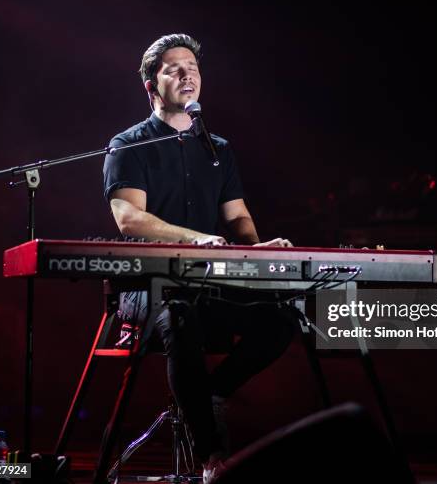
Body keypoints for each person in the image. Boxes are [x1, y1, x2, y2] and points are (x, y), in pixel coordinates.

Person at [103, 33, 295, 483]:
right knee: (180, 313)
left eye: (193, 67)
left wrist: (255, 248)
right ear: (151, 86)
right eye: (174, 68)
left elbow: (239, 218)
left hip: (206, 285)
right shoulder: (127, 144)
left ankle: (208, 396)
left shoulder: (218, 149)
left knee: (281, 319)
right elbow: (129, 219)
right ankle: (212, 456)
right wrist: (196, 238)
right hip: (146, 290)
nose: (188, 75)